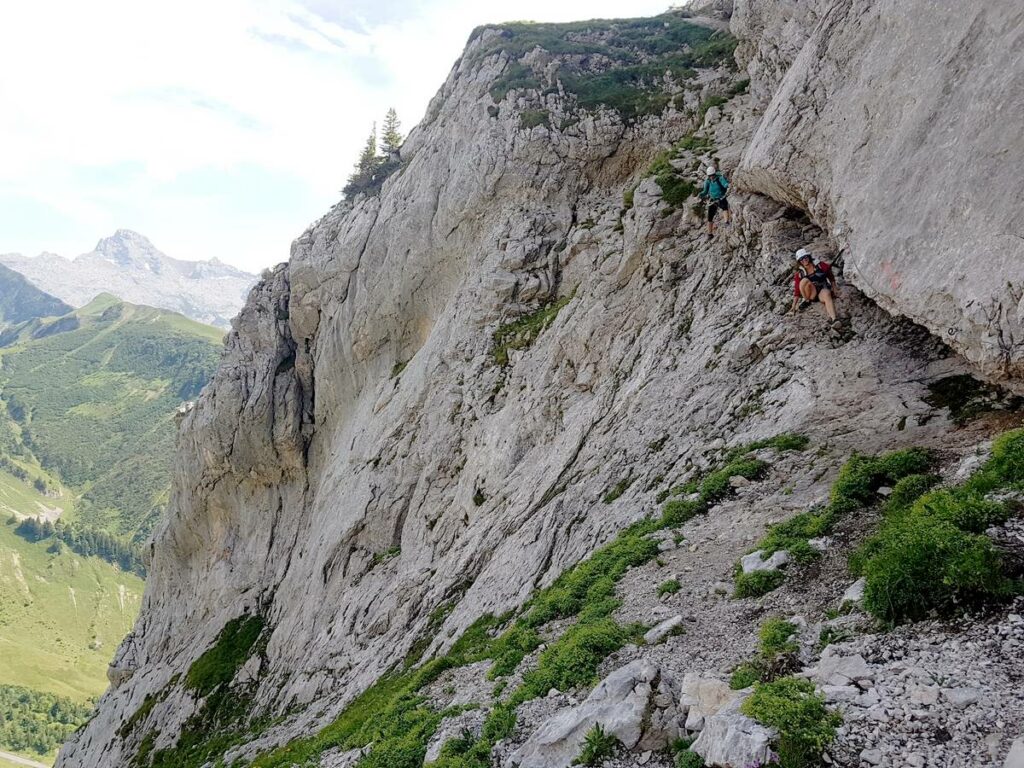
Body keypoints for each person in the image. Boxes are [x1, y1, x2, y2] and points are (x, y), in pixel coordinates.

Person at [790, 248, 840, 325]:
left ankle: (834, 319)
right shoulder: (799, 274)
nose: (804, 260)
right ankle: (807, 300)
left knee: (827, 294)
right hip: (810, 293)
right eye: (801, 259)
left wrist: (834, 288)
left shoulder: (819, 265)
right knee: (804, 281)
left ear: (808, 257)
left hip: (822, 289)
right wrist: (793, 305)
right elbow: (797, 291)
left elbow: (830, 276)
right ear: (799, 262)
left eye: (805, 257)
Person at [698, 165, 730, 235]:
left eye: (712, 175)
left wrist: (727, 185)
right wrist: (700, 194)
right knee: (710, 217)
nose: (711, 177)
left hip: (721, 197)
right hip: (713, 199)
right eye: (710, 176)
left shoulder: (720, 178)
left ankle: (726, 222)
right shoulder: (707, 181)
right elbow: (705, 191)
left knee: (724, 207)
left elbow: (724, 183)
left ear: (714, 174)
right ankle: (710, 233)